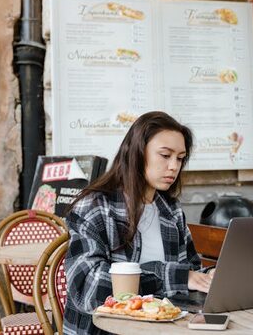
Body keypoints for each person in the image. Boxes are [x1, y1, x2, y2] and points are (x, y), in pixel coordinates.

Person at [63, 111, 213, 334]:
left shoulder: (171, 212)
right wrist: (173, 277)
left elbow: (189, 273)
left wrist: (209, 276)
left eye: (180, 158)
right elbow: (87, 288)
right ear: (137, 153)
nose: (174, 166)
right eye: (165, 155)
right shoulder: (94, 207)